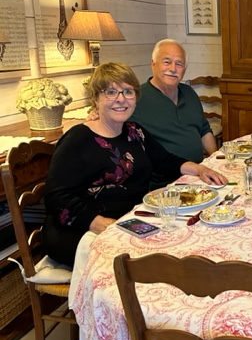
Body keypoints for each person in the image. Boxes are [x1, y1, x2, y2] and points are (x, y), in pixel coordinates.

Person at [44, 63, 227, 266]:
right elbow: (55, 197)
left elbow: (165, 160)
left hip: (129, 219)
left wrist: (201, 169)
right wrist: (98, 223)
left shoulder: (134, 131)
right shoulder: (78, 138)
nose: (121, 99)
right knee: (152, 264)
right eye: (111, 92)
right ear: (96, 98)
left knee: (183, 242)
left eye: (128, 92)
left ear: (136, 98)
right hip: (79, 227)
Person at [129, 38, 218, 188]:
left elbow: (204, 130)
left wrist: (215, 161)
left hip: (198, 174)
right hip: (164, 183)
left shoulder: (189, 93)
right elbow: (112, 121)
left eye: (179, 64)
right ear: (153, 64)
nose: (173, 68)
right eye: (166, 62)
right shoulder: (135, 98)